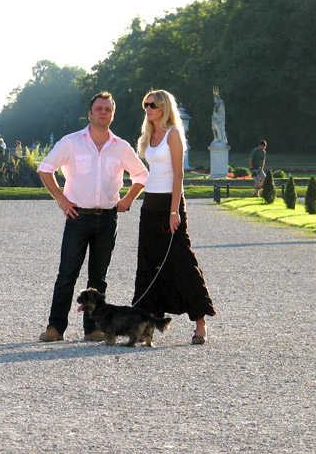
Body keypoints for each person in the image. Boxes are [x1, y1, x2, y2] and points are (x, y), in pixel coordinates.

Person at [37, 91, 149, 342]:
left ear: (112, 114)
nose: (103, 112)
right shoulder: (71, 142)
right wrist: (61, 199)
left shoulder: (121, 147)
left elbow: (141, 175)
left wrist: (128, 198)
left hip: (108, 218)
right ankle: (56, 327)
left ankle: (93, 328)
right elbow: (45, 169)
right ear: (90, 113)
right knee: (67, 274)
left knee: (98, 277)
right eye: (99, 108)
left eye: (108, 109)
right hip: (77, 217)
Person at [133, 90, 215, 345]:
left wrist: (174, 210)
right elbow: (150, 172)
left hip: (170, 204)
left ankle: (200, 323)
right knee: (148, 263)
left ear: (164, 107)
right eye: (146, 104)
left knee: (181, 261)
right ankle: (147, 322)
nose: (148, 108)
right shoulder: (148, 136)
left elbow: (178, 174)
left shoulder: (173, 134)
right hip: (150, 204)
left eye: (153, 105)